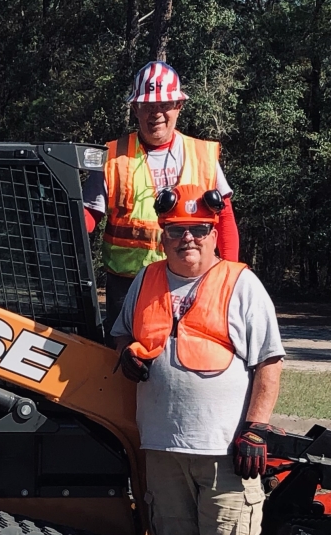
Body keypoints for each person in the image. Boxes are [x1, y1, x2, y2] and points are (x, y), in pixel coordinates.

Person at [110, 185, 284, 535]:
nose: (188, 239)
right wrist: (126, 354)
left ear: (214, 235)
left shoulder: (241, 284)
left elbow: (269, 362)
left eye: (199, 230)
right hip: (163, 447)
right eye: (178, 230)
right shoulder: (146, 279)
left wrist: (256, 428)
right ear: (163, 236)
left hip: (223, 451)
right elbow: (123, 335)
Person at [84, 60, 241, 342]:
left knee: (189, 357)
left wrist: (229, 277)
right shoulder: (111, 156)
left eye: (165, 104)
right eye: (148, 106)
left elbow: (225, 217)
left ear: (178, 106)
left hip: (193, 280)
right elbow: (87, 217)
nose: (157, 113)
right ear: (135, 109)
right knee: (125, 366)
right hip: (129, 286)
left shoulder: (203, 155)